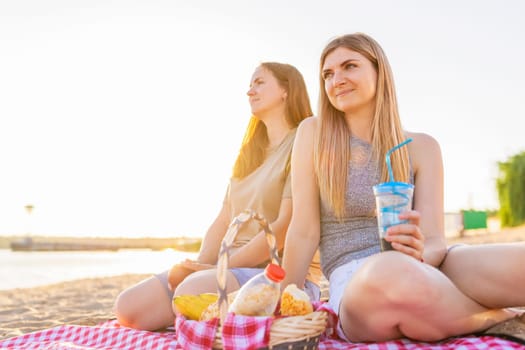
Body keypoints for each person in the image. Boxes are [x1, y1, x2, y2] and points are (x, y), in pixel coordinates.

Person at [280, 32, 524, 343]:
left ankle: (463, 308)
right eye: (328, 74)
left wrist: (420, 253)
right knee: (389, 270)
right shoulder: (314, 133)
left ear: (379, 72)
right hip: (360, 284)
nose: (336, 79)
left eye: (349, 66)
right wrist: (282, 300)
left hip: (425, 266)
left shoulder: (423, 147)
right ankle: (503, 317)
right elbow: (303, 231)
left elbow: (436, 241)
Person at [114, 62, 323, 331]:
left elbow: (283, 227)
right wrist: (201, 263)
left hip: (275, 272)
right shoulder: (249, 153)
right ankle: (201, 307)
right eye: (250, 85)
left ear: (286, 90)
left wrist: (214, 270)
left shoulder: (301, 142)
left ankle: (202, 308)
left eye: (259, 82)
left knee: (189, 291)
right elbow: (223, 220)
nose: (250, 91)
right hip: (229, 267)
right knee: (130, 308)